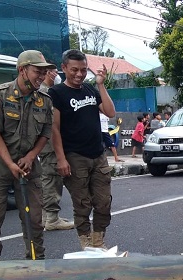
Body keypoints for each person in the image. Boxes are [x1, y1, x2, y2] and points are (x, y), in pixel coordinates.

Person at [0, 50, 55, 261]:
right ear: (22, 70)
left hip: (28, 165)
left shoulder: (44, 100)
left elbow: (46, 133)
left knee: (34, 221)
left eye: (44, 72)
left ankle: (36, 263)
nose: (41, 76)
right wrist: (10, 164)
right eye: (37, 71)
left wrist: (31, 157)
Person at [49, 49, 116, 250]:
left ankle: (98, 241)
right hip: (74, 156)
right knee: (82, 204)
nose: (79, 74)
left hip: (98, 154)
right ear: (64, 68)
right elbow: (54, 128)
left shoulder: (90, 90)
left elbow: (110, 112)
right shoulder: (56, 93)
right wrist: (61, 159)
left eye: (83, 70)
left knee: (103, 202)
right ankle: (86, 244)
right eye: (74, 70)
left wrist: (101, 84)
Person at [38, 68, 75, 232]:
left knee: (48, 180)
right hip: (51, 145)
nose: (56, 74)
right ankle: (51, 219)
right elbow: (52, 124)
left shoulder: (43, 91)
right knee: (52, 182)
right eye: (53, 71)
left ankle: (47, 218)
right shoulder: (46, 93)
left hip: (47, 145)